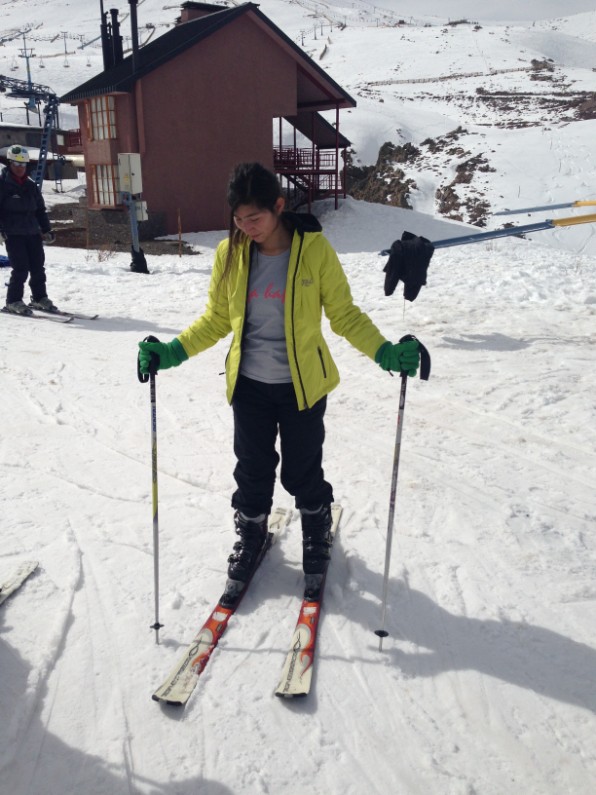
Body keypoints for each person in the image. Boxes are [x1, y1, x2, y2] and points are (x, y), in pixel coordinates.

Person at [138, 162, 419, 597]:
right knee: (252, 470)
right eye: (238, 219)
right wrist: (173, 351)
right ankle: (251, 532)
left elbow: (343, 314)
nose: (246, 227)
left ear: (279, 206)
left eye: (254, 218)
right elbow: (217, 319)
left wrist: (383, 351)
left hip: (302, 387)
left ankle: (315, 525)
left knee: (302, 471)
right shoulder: (230, 254)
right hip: (249, 386)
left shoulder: (315, 251)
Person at [0, 144, 57, 315]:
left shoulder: (31, 186)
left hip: (32, 232)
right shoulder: (2, 185)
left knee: (38, 267)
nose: (20, 168)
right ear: (10, 164)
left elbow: (40, 210)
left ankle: (39, 298)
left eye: (23, 164)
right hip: (13, 233)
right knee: (21, 268)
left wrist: (47, 229)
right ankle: (13, 301)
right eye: (17, 164)